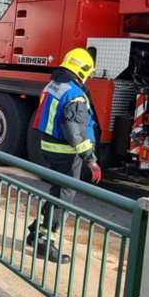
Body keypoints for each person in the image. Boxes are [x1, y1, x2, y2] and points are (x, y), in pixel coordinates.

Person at [26, 47, 101, 264]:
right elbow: (73, 130)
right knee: (62, 200)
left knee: (56, 193)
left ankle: (36, 233)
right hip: (67, 154)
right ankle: (45, 244)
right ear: (83, 69)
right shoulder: (75, 95)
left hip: (49, 149)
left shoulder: (54, 84)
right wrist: (91, 159)